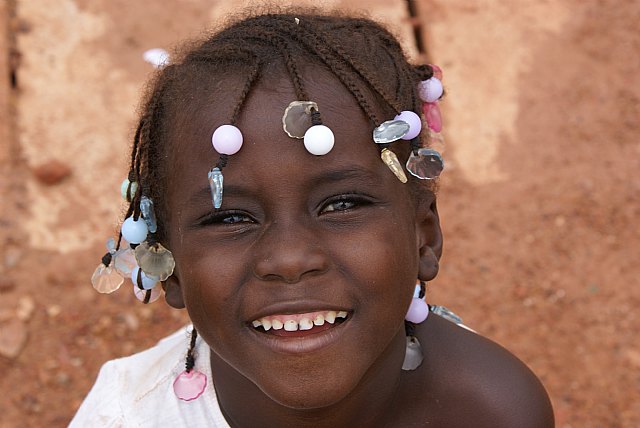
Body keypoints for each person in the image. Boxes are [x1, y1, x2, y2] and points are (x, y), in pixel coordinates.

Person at [72, 10, 554, 427]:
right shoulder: (124, 417)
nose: (289, 258)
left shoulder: (491, 412)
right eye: (231, 218)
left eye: (342, 205)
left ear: (424, 235)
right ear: (169, 266)